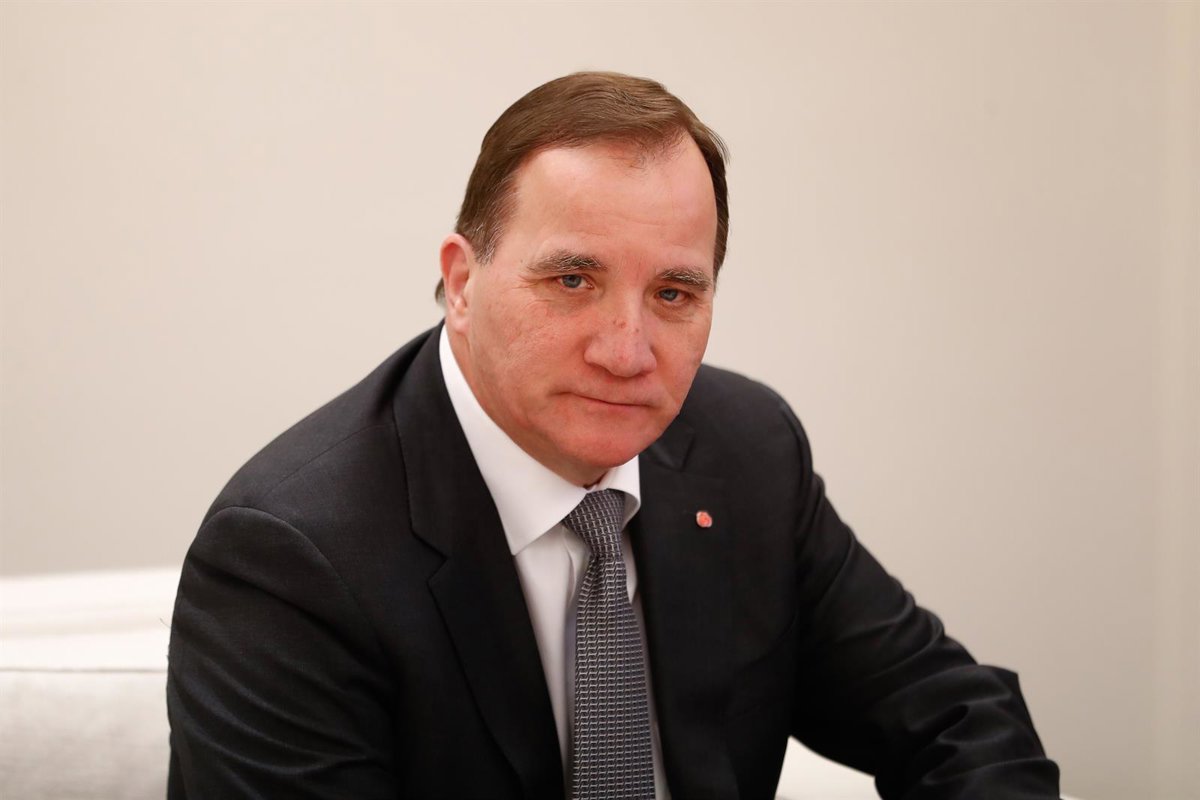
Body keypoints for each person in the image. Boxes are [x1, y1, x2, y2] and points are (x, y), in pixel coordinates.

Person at [166, 71, 1060, 799]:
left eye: (673, 293)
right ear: (462, 283)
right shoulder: (290, 559)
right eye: (572, 281)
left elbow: (958, 721)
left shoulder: (746, 452)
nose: (627, 352)